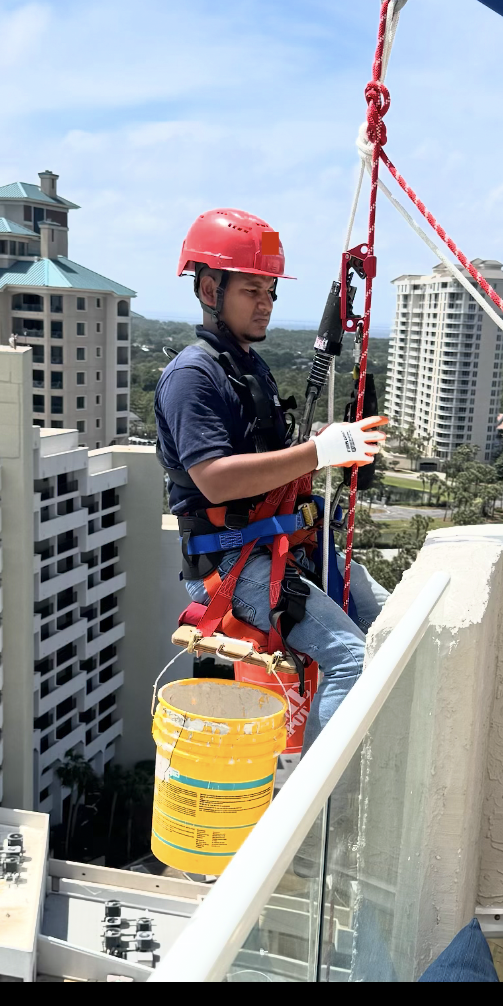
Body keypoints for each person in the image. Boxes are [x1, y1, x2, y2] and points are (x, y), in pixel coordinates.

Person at [155, 208, 389, 747]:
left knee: (391, 626)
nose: (265, 303)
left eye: (270, 291)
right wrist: (317, 452)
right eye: (251, 290)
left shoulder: (245, 366)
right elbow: (215, 480)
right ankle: (317, 795)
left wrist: (320, 446)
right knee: (352, 660)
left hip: (274, 543)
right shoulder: (193, 376)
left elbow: (270, 458)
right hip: (229, 561)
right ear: (209, 289)